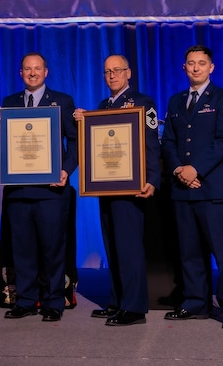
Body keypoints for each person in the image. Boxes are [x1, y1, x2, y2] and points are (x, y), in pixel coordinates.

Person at [160, 45, 223, 329]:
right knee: (189, 252)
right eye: (191, 63)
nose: (195, 68)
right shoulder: (174, 101)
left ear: (212, 67)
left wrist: (195, 169)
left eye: (201, 63)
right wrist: (177, 169)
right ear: (184, 68)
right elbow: (169, 141)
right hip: (182, 189)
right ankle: (195, 302)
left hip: (212, 189)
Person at [74, 54, 161, 326]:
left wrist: (154, 179)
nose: (112, 75)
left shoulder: (143, 103)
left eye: (117, 70)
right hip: (107, 185)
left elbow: (151, 143)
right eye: (107, 72)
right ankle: (118, 301)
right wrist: (86, 121)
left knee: (129, 248)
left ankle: (134, 308)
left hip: (131, 187)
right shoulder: (103, 105)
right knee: (112, 246)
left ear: (128, 73)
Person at [0, 52, 78, 322]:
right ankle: (26, 300)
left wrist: (65, 170)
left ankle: (53, 301)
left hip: (51, 191)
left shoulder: (62, 101)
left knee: (53, 249)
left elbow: (75, 142)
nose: (32, 73)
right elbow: (0, 143)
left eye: (37, 68)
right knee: (22, 249)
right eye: (27, 69)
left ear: (46, 72)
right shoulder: (10, 103)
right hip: (18, 191)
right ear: (20, 73)